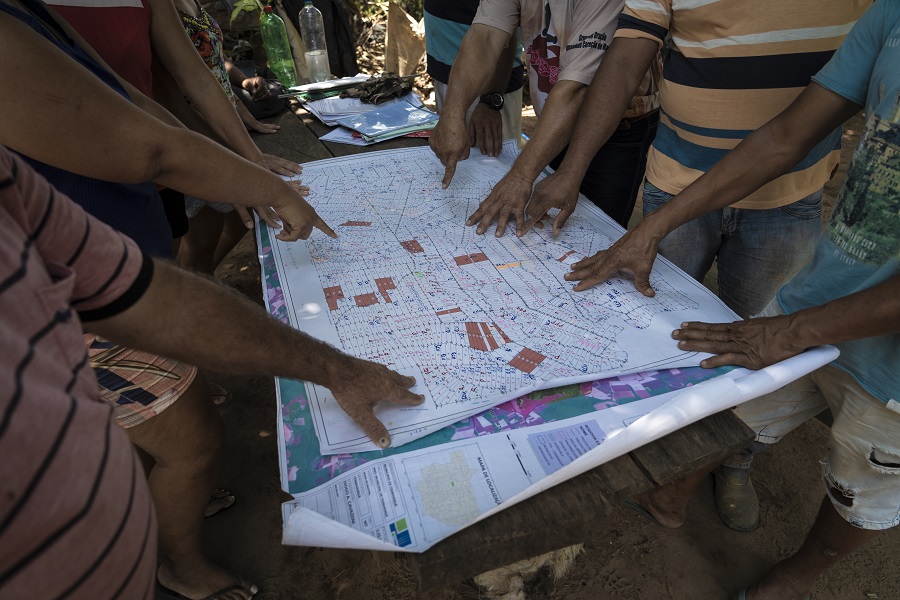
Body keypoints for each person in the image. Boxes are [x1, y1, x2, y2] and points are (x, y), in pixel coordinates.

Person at [564, 2, 900, 597]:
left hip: (891, 366)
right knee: (733, 398)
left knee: (865, 480)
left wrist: (788, 332)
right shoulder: (891, 17)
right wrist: (650, 227)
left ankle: (796, 577)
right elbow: (784, 135)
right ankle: (674, 491)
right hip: (823, 288)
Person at [0, 1, 330, 598]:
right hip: (72, 293)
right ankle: (179, 565)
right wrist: (263, 186)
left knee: (148, 418)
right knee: (195, 445)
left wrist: (245, 171)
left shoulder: (28, 9)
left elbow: (130, 101)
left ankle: (162, 490)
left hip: (105, 265)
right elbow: (149, 150)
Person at [0, 145, 422, 599]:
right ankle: (181, 567)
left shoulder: (20, 191)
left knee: (141, 432)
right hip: (70, 353)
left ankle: (159, 509)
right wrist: (338, 370)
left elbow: (119, 273)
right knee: (192, 447)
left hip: (87, 309)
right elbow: (152, 300)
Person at [429, 0, 659, 233]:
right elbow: (484, 37)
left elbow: (576, 88)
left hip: (617, 131)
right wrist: (452, 113)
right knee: (546, 222)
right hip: (555, 118)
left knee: (590, 234)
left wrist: (521, 176)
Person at [424, 0, 524, 155]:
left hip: (485, 84)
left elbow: (500, 26)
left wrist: (491, 100)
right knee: (453, 156)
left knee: (492, 167)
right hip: (448, 78)